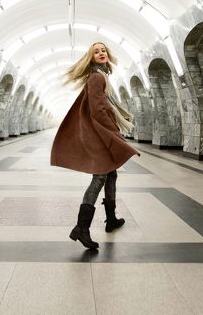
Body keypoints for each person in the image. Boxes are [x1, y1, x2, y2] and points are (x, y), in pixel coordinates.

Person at [50, 41, 139, 249]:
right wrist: (113, 132)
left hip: (99, 131)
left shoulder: (101, 76)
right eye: (96, 51)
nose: (100, 53)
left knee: (111, 173)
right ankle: (81, 228)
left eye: (103, 50)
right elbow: (98, 110)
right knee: (99, 177)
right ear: (91, 57)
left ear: (107, 54)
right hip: (100, 133)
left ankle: (111, 219)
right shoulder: (97, 77)